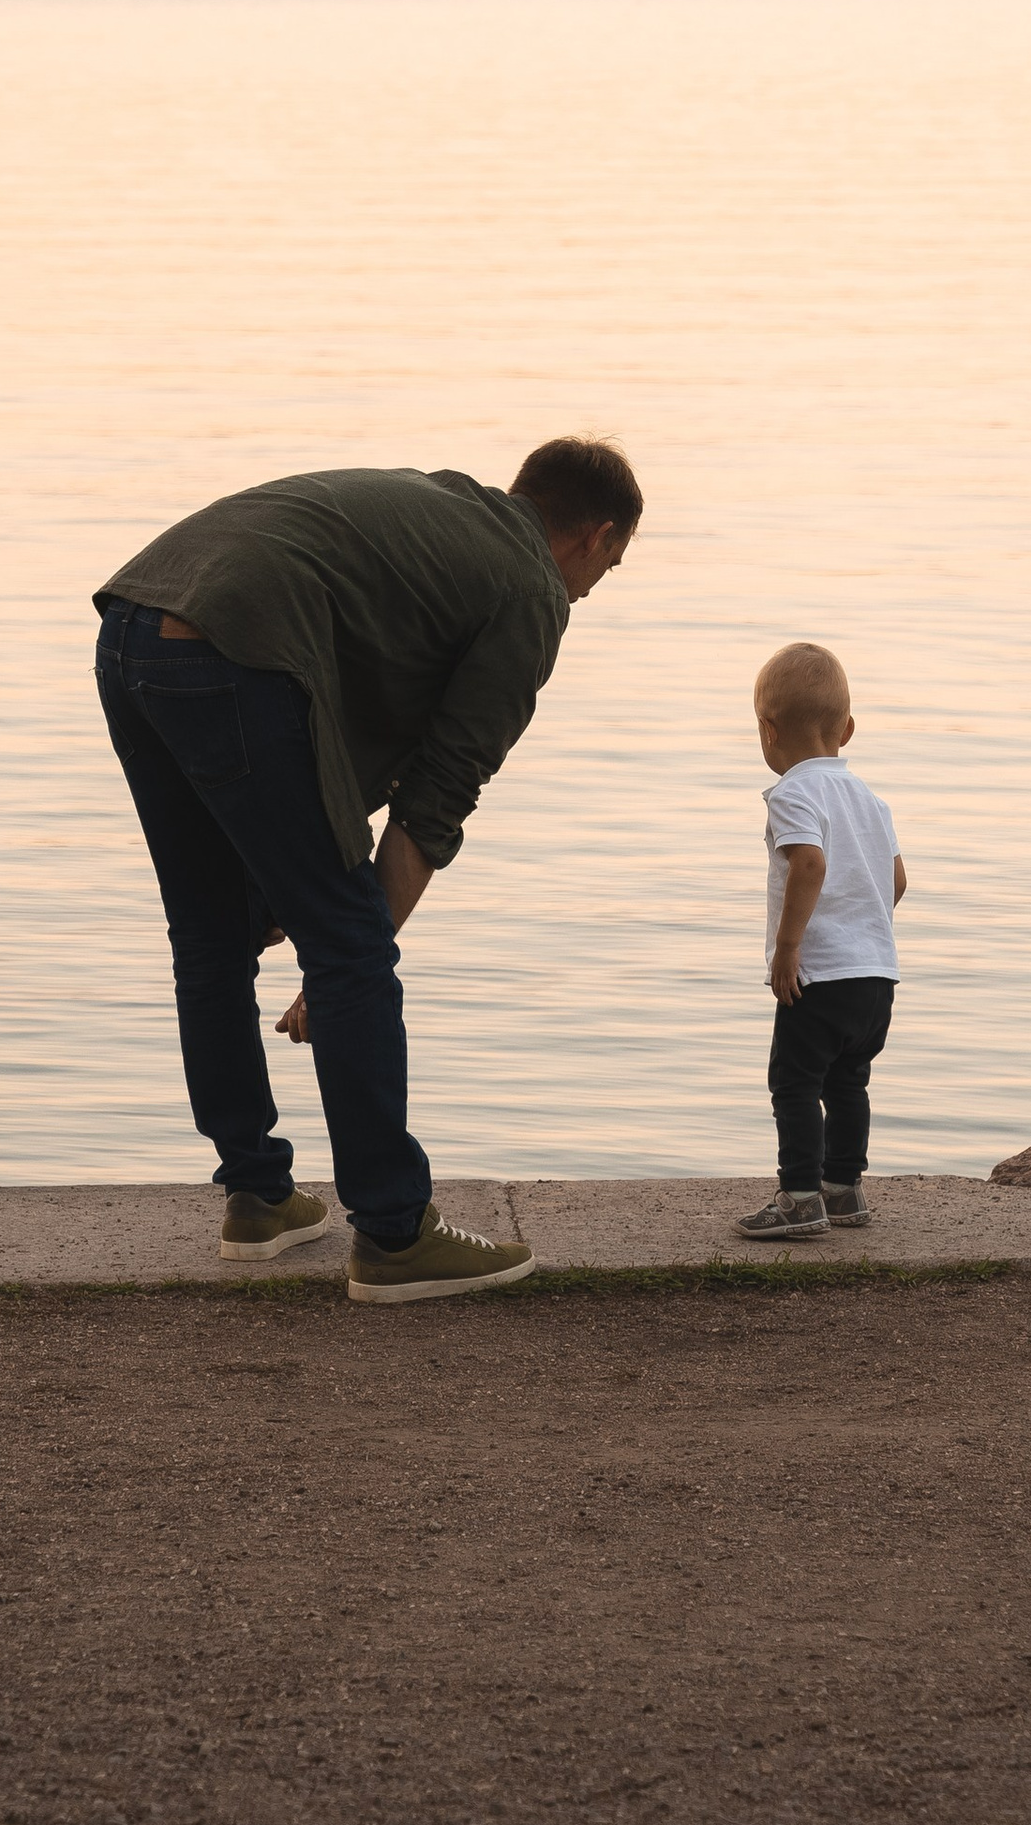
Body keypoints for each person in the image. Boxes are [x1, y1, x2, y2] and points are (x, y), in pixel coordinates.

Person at [93, 441, 641, 1303]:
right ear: (593, 535)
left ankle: (258, 1198)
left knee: (212, 935)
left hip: (136, 621)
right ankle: (393, 1234)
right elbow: (437, 799)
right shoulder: (532, 587)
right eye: (611, 563)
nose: (595, 586)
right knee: (352, 949)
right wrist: (344, 955)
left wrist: (294, 893)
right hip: (235, 642)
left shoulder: (449, 517)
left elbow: (324, 730)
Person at [739, 640, 907, 1241]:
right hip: (875, 975)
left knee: (795, 1084)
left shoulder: (793, 794)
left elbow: (807, 865)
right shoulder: (870, 798)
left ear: (767, 730)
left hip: (821, 976)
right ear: (848, 729)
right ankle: (845, 1189)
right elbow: (898, 881)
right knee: (848, 1082)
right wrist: (866, 929)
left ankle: (800, 1198)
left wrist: (788, 951)